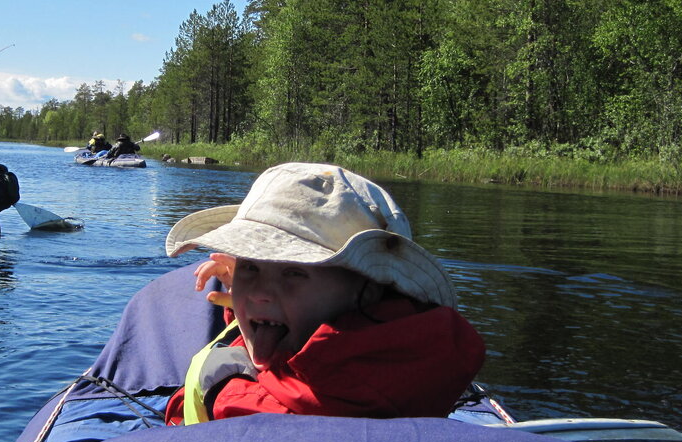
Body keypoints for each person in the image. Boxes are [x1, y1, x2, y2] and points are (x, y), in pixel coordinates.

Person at [163, 162, 485, 425]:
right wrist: (245, 299)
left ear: (369, 290)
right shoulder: (394, 339)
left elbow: (250, 413)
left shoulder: (345, 386)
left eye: (293, 272)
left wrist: (215, 384)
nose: (259, 292)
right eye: (251, 266)